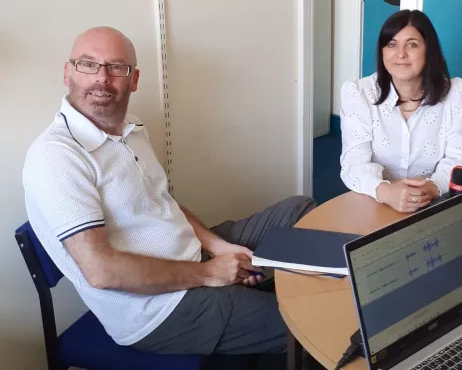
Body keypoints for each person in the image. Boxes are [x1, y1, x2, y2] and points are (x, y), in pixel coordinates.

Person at [22, 26, 316, 358]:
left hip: (189, 257)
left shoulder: (131, 128)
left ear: (133, 79)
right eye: (88, 64)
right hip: (158, 311)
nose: (102, 77)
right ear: (67, 72)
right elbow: (101, 271)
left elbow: (163, 200)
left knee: (300, 209)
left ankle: (272, 287)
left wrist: (217, 247)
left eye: (117, 67)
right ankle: (284, 311)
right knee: (312, 326)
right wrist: (207, 273)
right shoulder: (57, 157)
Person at [340, 10, 462, 213]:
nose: (401, 54)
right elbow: (353, 165)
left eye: (412, 44)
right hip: (375, 203)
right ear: (382, 52)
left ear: (428, 50)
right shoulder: (359, 93)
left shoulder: (456, 93)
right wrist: (387, 192)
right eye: (392, 45)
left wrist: (429, 190)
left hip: (435, 204)